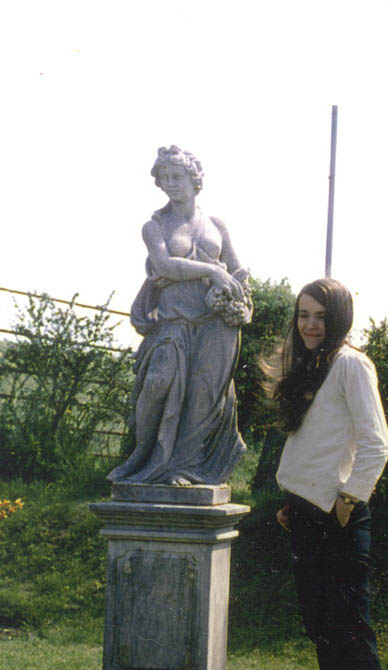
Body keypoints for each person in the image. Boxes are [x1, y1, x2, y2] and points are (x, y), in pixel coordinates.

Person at [271, 278, 388, 670]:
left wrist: (347, 499)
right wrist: (295, 499)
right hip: (305, 513)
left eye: (320, 315)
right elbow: (314, 443)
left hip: (339, 519)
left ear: (339, 317)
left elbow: (376, 443)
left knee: (351, 637)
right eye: (303, 315)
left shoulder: (350, 363)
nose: (310, 324)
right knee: (323, 632)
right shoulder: (311, 367)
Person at [108, 145, 252, 486]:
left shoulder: (216, 224)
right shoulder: (154, 226)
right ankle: (144, 459)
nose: (170, 183)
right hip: (173, 324)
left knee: (203, 397)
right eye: (164, 177)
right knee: (157, 384)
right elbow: (163, 265)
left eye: (177, 176)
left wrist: (244, 299)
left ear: (194, 178)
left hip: (216, 325)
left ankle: (185, 468)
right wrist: (212, 272)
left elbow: (237, 269)